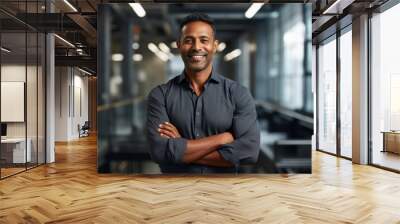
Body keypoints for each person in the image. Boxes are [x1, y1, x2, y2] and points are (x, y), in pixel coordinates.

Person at [146, 13, 260, 173]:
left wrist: (180, 146)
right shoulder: (160, 95)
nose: (196, 47)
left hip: (223, 193)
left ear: (214, 45)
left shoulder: (237, 94)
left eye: (204, 40)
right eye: (188, 40)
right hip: (174, 192)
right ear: (179, 45)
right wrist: (221, 139)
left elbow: (249, 153)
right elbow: (159, 152)